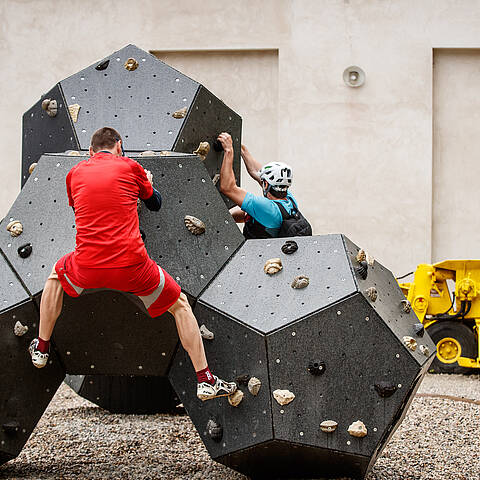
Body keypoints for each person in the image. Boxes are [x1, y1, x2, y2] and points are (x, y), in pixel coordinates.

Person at [29, 127, 237, 402]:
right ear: (119, 146)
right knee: (180, 306)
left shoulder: (74, 173)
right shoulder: (131, 167)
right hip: (133, 267)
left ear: (91, 152)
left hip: (86, 266)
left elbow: (81, 208)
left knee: (55, 277)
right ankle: (205, 379)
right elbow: (155, 204)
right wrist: (147, 182)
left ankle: (42, 347)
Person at [217, 133, 311, 238]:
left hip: (255, 251)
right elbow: (256, 171)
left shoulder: (267, 208)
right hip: (270, 238)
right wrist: (241, 149)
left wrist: (229, 151)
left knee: (244, 211)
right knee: (245, 213)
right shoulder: (289, 200)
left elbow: (228, 188)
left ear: (265, 184)